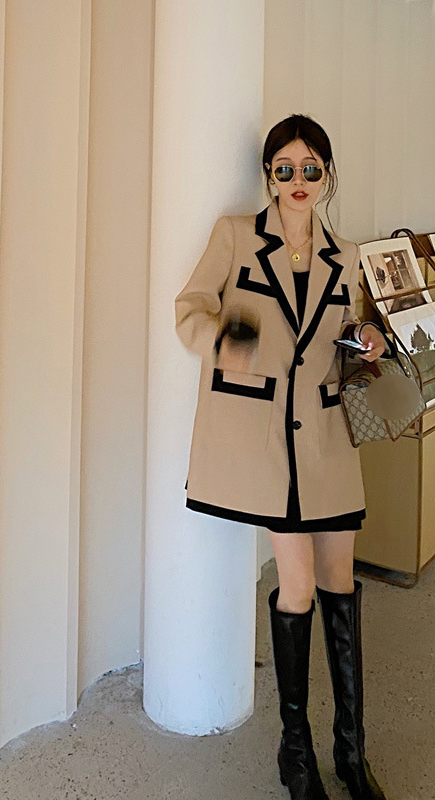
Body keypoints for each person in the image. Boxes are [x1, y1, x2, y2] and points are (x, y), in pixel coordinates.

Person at [175, 114, 388, 800]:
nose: (298, 181)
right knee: (296, 586)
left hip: (326, 438)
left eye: (311, 169)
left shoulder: (345, 254)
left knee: (340, 582)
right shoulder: (237, 236)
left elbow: (347, 332)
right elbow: (190, 310)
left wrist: (366, 338)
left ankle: (350, 752)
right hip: (269, 440)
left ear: (327, 176)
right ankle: (296, 755)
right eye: (285, 169)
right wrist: (229, 344)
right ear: (269, 175)